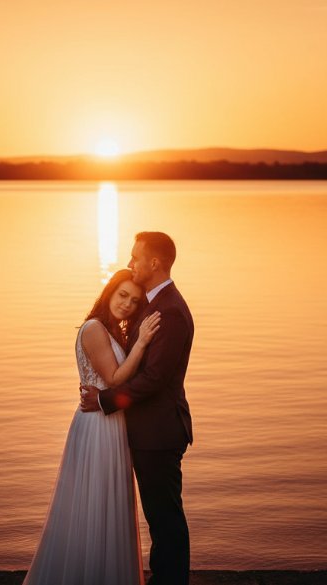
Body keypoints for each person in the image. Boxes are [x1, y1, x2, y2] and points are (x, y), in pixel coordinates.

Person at [23, 268, 162, 585]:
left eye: (134, 300)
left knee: (108, 503)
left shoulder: (110, 331)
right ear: (109, 292)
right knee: (93, 503)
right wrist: (141, 343)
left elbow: (113, 383)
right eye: (122, 294)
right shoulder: (93, 328)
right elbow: (113, 379)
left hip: (111, 423)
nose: (127, 304)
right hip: (97, 425)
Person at [81, 231, 194, 585]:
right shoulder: (152, 303)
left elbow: (154, 380)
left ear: (154, 263)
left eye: (135, 258)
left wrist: (104, 401)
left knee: (165, 519)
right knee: (159, 516)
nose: (131, 264)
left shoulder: (171, 311)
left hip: (160, 431)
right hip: (147, 431)